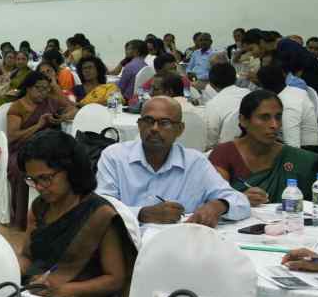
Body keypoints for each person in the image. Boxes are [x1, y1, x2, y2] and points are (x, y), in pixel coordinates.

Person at [16, 130, 134, 297]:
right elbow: (27, 255)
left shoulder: (99, 214)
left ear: (71, 170)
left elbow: (115, 279)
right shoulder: (40, 208)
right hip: (36, 295)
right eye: (33, 180)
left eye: (46, 178)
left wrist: (64, 290)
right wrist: (7, 270)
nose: (39, 187)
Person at [96, 97, 250, 228]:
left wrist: (219, 205)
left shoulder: (195, 163)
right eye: (148, 121)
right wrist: (141, 213)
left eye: (164, 122)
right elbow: (99, 207)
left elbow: (240, 202)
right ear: (139, 125)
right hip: (127, 243)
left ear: (180, 129)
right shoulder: (115, 157)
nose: (154, 128)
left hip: (180, 245)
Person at [209, 90, 318, 206]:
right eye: (264, 117)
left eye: (278, 117)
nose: (274, 125)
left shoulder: (294, 157)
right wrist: (239, 198)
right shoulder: (225, 153)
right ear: (243, 120)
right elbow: (215, 199)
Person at [6, 71, 76, 229]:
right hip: (23, 150)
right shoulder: (18, 107)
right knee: (22, 171)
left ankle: (58, 216)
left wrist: (62, 117)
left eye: (46, 89)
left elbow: (73, 108)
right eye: (39, 88)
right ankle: (23, 218)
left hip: (48, 149)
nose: (43, 93)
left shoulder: (50, 102)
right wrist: (38, 125)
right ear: (28, 88)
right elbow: (13, 137)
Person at [256, 65, 318, 149]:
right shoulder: (291, 91)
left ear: (264, 86)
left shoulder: (286, 104)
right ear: (284, 76)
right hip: (295, 143)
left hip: (305, 150)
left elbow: (292, 145)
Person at [203, 62, 250, 150]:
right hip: (255, 145)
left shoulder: (213, 105)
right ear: (235, 78)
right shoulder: (249, 93)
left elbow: (210, 141)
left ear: (211, 84)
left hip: (228, 150)